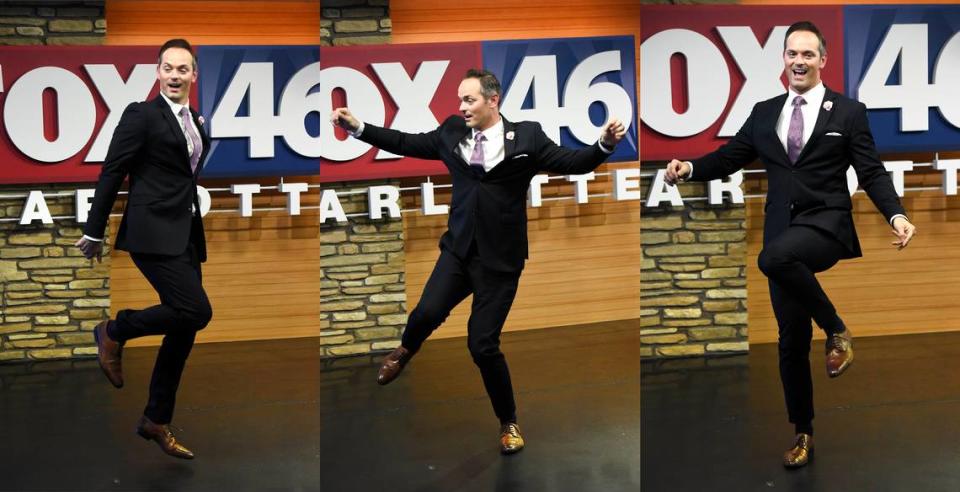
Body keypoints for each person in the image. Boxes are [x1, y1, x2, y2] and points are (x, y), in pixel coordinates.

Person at [330, 68, 626, 454]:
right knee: (423, 315)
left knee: (482, 346)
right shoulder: (452, 131)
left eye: (469, 100)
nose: (461, 107)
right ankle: (405, 350)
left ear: (492, 100)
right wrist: (359, 127)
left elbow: (574, 162)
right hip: (458, 251)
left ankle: (509, 422)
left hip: (500, 262)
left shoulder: (528, 136)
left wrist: (602, 144)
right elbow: (405, 141)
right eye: (460, 100)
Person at [664, 21, 917, 468]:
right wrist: (689, 169)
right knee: (790, 339)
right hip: (781, 225)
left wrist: (895, 214)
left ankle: (837, 329)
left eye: (807, 54)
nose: (798, 61)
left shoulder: (848, 112)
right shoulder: (765, 111)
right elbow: (729, 157)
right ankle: (804, 432)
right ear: (783, 60)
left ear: (823, 60)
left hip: (826, 224)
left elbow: (872, 172)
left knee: (773, 257)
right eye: (791, 54)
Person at [76, 38, 212, 460]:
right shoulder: (141, 115)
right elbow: (112, 171)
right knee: (196, 311)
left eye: (182, 69)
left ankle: (156, 419)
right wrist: (95, 231)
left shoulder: (196, 121)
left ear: (194, 74)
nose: (175, 75)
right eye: (168, 68)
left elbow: (183, 176)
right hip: (152, 233)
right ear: (157, 72)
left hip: (186, 233)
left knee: (183, 330)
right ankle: (114, 331)